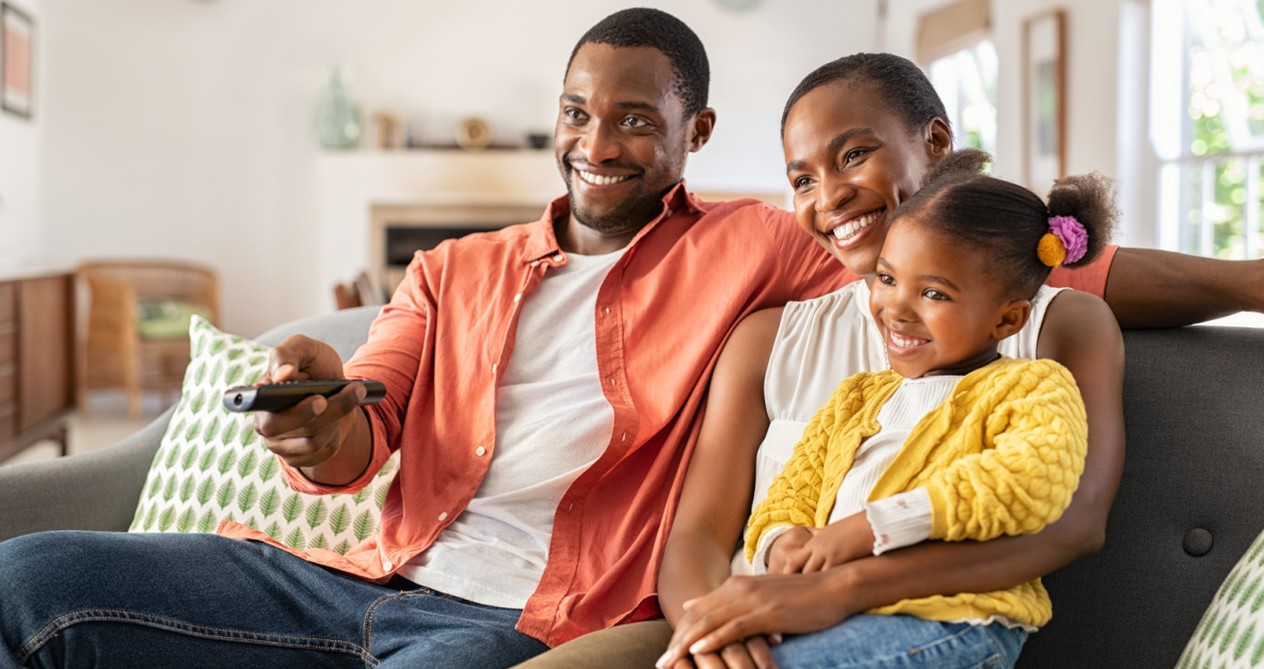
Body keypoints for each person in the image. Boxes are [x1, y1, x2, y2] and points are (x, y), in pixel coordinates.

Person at [0, 9, 851, 668]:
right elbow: (361, 435)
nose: (594, 144)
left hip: (514, 621)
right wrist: (318, 424)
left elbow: (901, 279)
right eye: (576, 112)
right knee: (25, 580)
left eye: (633, 120)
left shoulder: (755, 245)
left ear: (695, 133)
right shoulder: (451, 268)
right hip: (351, 578)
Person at [736, 148, 1112, 667]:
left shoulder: (1032, 387)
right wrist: (783, 543)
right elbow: (789, 494)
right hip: (833, 612)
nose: (895, 308)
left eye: (933, 293)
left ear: (1007, 321)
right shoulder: (855, 399)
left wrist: (868, 528)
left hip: (956, 625)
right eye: (888, 279)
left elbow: (1028, 481)